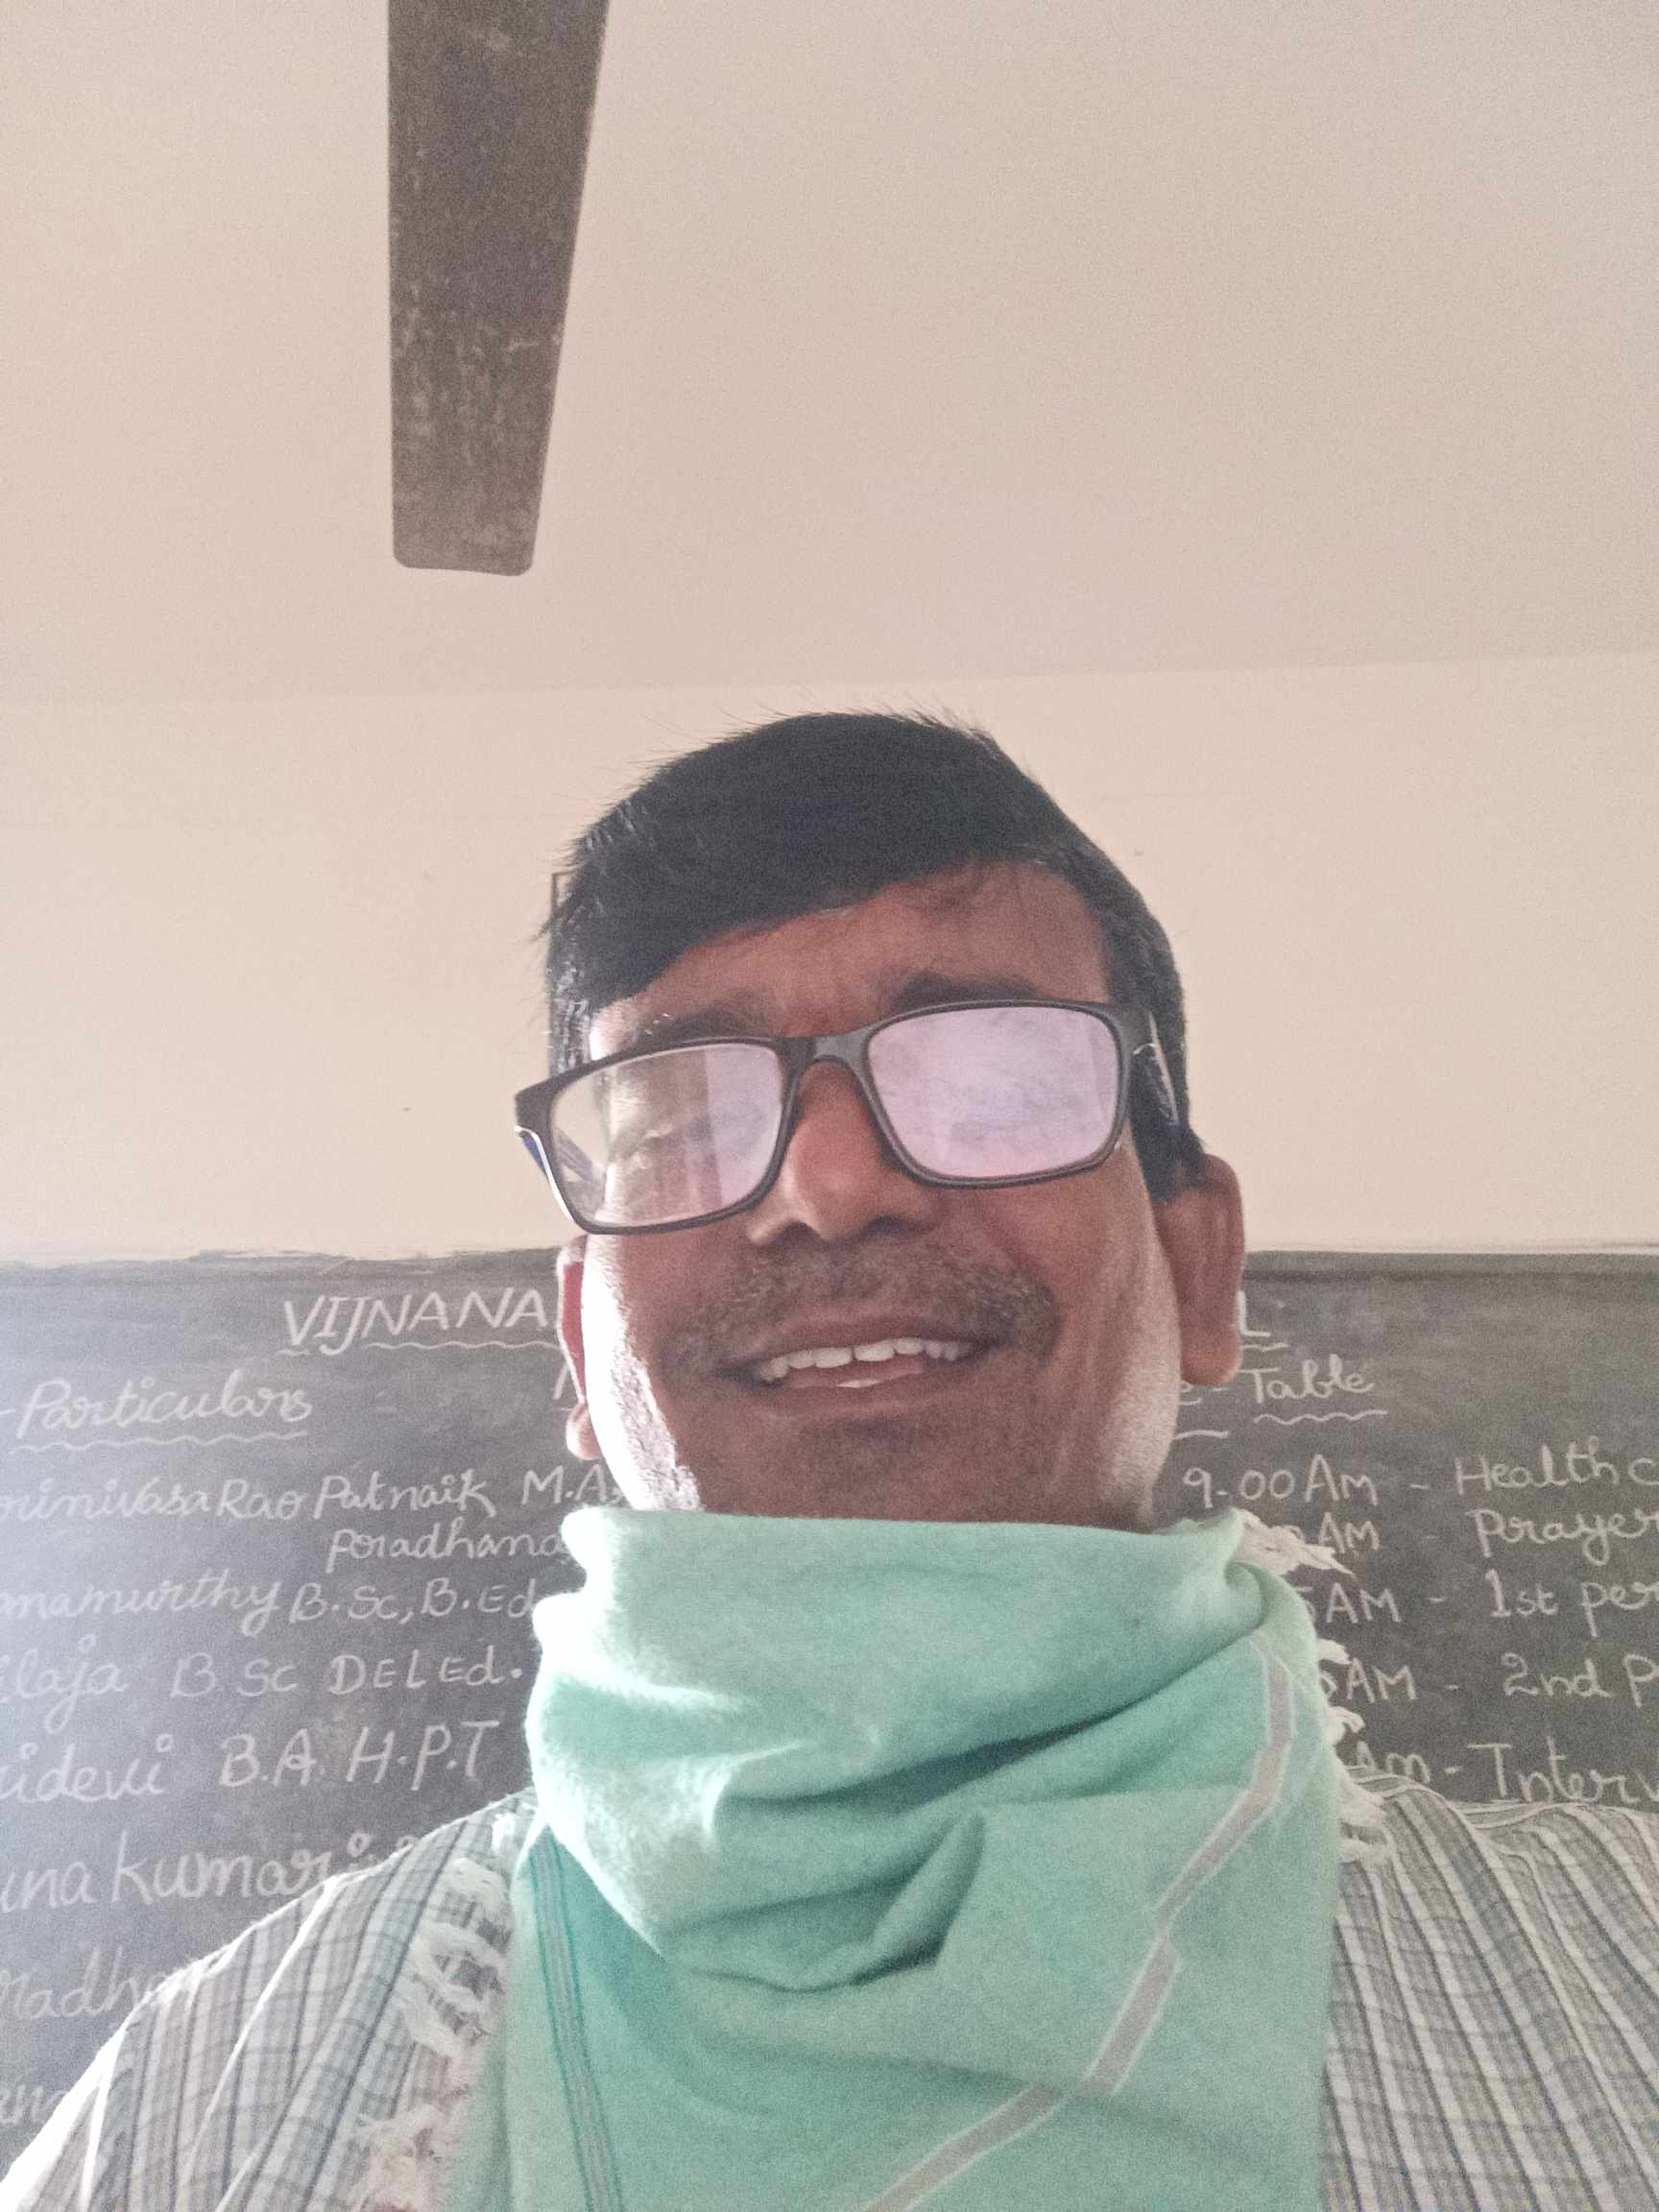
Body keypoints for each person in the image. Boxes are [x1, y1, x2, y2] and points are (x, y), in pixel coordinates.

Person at [5, 712, 1656, 2212]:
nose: (831, 1187)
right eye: (680, 1117)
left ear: (1201, 1269)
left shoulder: (1624, 1974)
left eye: (993, 1081)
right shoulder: (203, 2108)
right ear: (581, 1349)